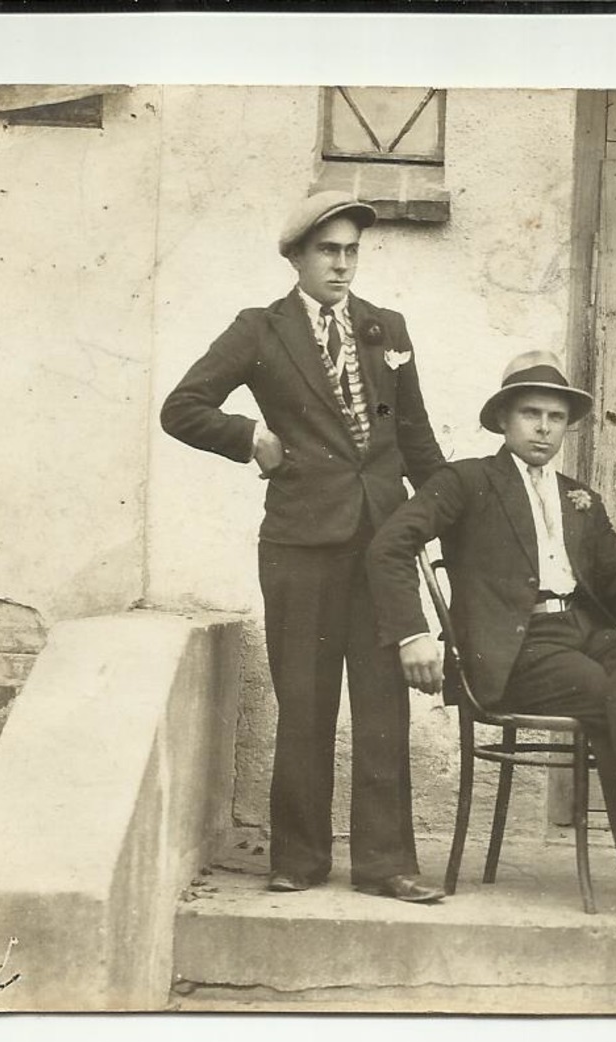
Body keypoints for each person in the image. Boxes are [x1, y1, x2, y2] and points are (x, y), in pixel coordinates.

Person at [366, 352, 616, 925]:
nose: (543, 428)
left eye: (556, 417)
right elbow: (389, 546)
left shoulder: (578, 497)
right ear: (504, 421)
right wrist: (412, 632)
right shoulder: (466, 481)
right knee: (607, 693)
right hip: (513, 651)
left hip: (579, 633)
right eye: (531, 414)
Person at [160, 191, 446, 903]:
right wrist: (250, 439)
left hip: (380, 544)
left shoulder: (386, 327)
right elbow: (182, 407)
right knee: (306, 699)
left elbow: (415, 439)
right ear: (296, 256)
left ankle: (386, 864)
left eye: (351, 251)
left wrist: (450, 526)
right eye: (328, 251)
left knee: (384, 702)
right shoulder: (261, 329)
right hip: (298, 543)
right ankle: (297, 857)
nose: (342, 265)